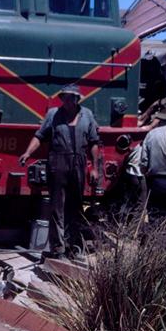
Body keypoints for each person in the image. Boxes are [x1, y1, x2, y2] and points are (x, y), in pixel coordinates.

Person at [19, 84, 100, 259]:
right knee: (57, 207)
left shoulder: (87, 115)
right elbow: (39, 136)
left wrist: (94, 167)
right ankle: (58, 249)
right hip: (58, 162)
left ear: (77, 98)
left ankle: (74, 246)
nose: (67, 100)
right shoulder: (53, 115)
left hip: (78, 162)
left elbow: (94, 142)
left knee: (76, 206)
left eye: (71, 97)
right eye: (64, 97)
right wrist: (27, 153)